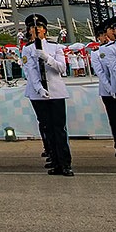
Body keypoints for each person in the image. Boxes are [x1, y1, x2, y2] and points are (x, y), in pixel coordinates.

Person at [21, 14, 74, 176]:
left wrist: (47, 58)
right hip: (38, 94)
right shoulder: (27, 49)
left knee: (59, 129)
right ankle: (55, 161)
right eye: (32, 28)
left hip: (56, 91)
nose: (36, 30)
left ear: (45, 30)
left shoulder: (55, 47)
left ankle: (65, 163)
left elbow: (62, 68)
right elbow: (29, 71)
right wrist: (38, 88)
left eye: (39, 27)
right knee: (47, 128)